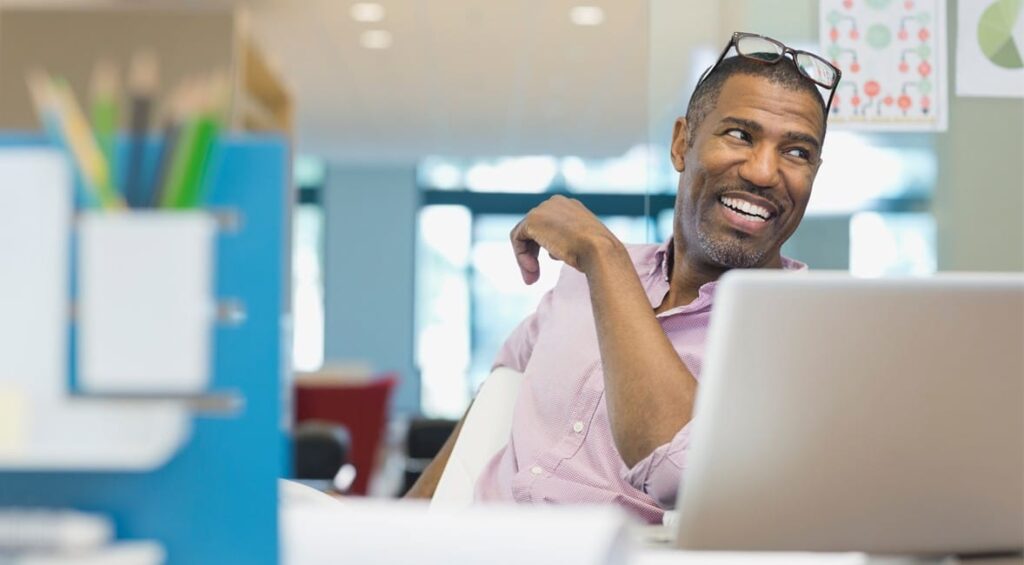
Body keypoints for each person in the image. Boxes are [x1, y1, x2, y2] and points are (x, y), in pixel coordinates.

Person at [405, 32, 841, 524]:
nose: (764, 172)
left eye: (797, 152)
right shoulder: (578, 283)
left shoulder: (806, 331)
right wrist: (401, 525)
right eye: (740, 135)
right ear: (682, 143)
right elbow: (499, 394)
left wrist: (602, 256)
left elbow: (683, 472)